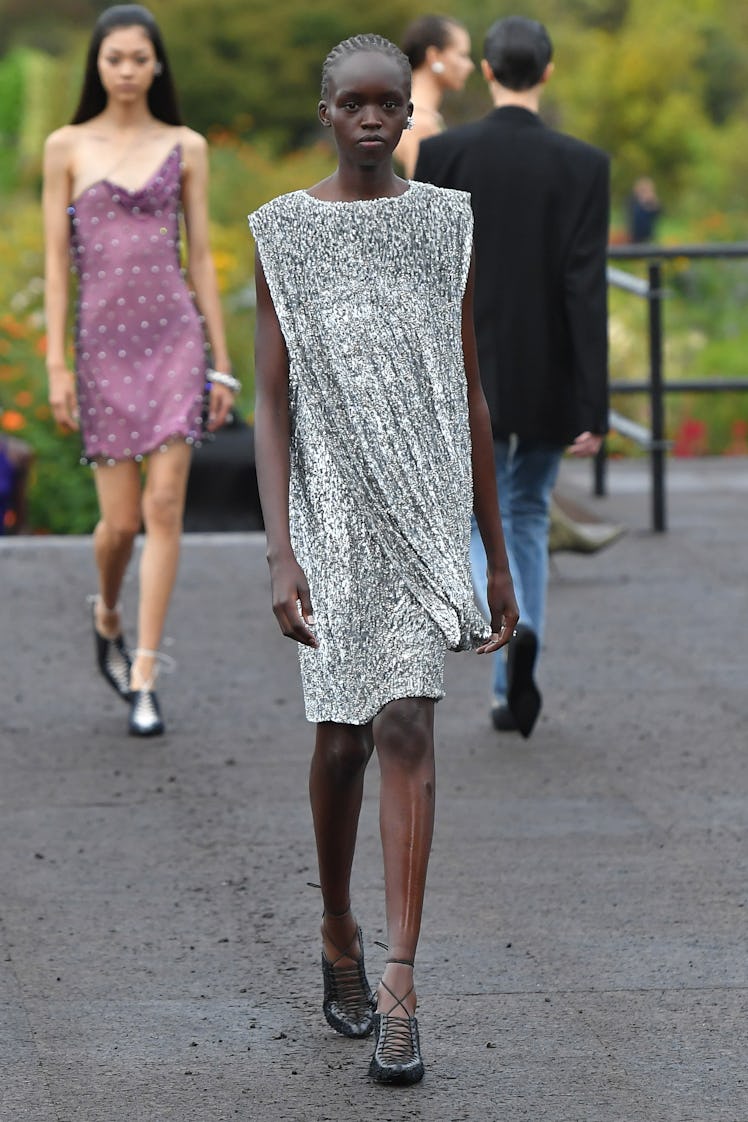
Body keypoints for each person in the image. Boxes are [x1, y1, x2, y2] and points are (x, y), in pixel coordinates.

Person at [249, 34, 518, 1086]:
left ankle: (400, 982)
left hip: (423, 509)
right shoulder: (281, 231)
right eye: (352, 103)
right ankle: (337, 927)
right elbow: (269, 402)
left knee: (406, 719)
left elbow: (473, 394)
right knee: (342, 740)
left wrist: (497, 558)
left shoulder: (445, 224)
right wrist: (279, 551)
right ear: (325, 111)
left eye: (388, 104)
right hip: (328, 512)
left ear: (410, 114)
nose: (371, 118)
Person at [42, 4, 235, 737]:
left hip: (175, 339)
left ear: (158, 65)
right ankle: (108, 609)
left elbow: (205, 259)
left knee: (163, 508)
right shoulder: (66, 146)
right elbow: (57, 269)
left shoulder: (186, 145)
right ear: (98, 65)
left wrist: (221, 364)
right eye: (114, 58)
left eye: (139, 58)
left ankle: (146, 669)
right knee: (118, 523)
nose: (126, 70)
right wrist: (56, 362)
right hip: (100, 346)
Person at [416, 16, 610, 737]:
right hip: (551, 375)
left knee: (477, 511)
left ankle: (497, 624)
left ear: (490, 71)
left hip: (472, 373)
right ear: (548, 74)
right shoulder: (584, 164)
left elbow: (428, 280)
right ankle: (511, 680)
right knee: (528, 512)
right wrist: (593, 401)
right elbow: (583, 287)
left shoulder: (443, 154)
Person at [394, 14, 473, 179]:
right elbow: (421, 197)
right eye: (462, 55)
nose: (470, 66)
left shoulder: (417, 115)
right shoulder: (419, 123)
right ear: (434, 56)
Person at [628, 175, 661, 243]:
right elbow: (635, 217)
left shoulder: (651, 202)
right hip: (634, 238)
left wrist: (653, 202)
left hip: (649, 236)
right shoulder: (632, 201)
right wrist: (642, 203)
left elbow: (658, 213)